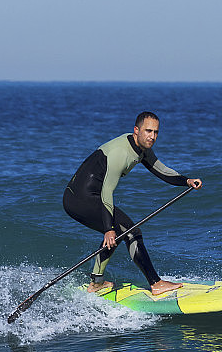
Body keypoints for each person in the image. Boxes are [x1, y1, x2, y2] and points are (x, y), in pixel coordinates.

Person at [63, 112, 202, 295]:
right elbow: (106, 192)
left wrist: (186, 181)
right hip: (79, 199)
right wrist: (108, 228)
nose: (152, 136)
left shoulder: (141, 147)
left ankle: (96, 282)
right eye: (148, 131)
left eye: (156, 132)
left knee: (124, 230)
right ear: (136, 130)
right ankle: (155, 283)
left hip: (89, 196)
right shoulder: (120, 153)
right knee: (129, 231)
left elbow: (161, 170)